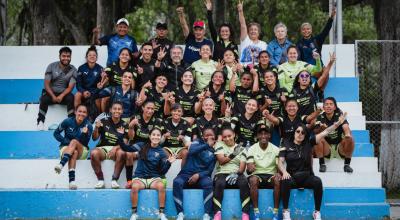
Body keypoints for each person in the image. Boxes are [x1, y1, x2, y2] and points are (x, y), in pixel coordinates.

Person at [278, 115, 347, 220]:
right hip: (292, 177)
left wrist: (337, 124)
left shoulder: (309, 143)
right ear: (294, 132)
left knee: (318, 181)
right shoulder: (286, 143)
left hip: (306, 176)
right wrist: (284, 172)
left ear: (305, 135)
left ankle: (317, 212)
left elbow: (325, 132)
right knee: (284, 181)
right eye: (298, 131)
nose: (300, 134)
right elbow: (280, 161)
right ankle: (286, 212)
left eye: (303, 132)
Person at [116, 128, 175, 220]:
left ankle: (161, 213)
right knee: (134, 187)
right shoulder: (142, 145)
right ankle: (134, 214)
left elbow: (162, 172)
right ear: (150, 136)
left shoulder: (162, 152)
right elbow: (126, 148)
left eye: (158, 135)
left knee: (161, 186)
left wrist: (169, 163)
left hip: (154, 178)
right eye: (154, 135)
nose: (156, 137)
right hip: (140, 178)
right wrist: (120, 136)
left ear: (161, 137)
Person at [173, 128, 216, 220]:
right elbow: (191, 150)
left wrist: (198, 175)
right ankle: (180, 213)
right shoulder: (197, 142)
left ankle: (207, 214)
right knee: (177, 182)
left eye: (211, 135)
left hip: (201, 176)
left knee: (209, 183)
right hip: (186, 174)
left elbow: (209, 170)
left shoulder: (214, 151)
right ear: (203, 136)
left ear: (214, 136)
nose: (209, 137)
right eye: (206, 135)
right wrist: (206, 145)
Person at [90, 101, 132, 189]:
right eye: (115, 109)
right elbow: (94, 138)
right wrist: (96, 128)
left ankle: (114, 180)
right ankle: (100, 180)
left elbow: (125, 142)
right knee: (93, 153)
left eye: (119, 109)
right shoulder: (103, 121)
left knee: (122, 153)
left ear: (122, 111)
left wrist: (115, 148)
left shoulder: (125, 124)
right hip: (103, 148)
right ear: (110, 110)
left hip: (117, 149)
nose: (117, 111)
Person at [213, 126, 250, 220]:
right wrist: (234, 153)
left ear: (234, 135)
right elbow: (221, 160)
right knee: (219, 183)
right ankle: (217, 213)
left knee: (244, 183)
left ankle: (245, 214)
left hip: (236, 173)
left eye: (229, 135)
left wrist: (236, 174)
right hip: (222, 172)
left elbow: (242, 167)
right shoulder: (219, 144)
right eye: (224, 137)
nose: (227, 138)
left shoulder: (242, 148)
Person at [53, 104, 93, 190]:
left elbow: (85, 142)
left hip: (82, 150)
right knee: (73, 152)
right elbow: (56, 133)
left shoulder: (88, 125)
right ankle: (72, 181)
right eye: (80, 111)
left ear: (86, 114)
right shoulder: (67, 121)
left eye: (84, 112)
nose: (81, 114)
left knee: (74, 142)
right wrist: (65, 141)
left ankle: (61, 164)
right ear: (75, 112)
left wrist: (84, 134)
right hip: (66, 149)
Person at [37, 46, 77, 130]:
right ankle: (40, 121)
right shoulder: (51, 66)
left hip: (64, 94)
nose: (66, 58)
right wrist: (53, 96)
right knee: (44, 99)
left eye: (68, 56)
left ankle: (71, 123)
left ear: (70, 57)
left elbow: (70, 87)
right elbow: (46, 84)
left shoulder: (73, 69)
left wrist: (61, 96)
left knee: (71, 97)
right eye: (63, 56)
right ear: (59, 56)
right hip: (51, 93)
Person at [247, 124, 281, 220]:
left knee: (278, 180)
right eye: (260, 134)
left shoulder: (275, 149)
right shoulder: (251, 149)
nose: (263, 136)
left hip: (271, 175)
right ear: (257, 136)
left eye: (265, 133)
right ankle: (256, 212)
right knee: (253, 180)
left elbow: (279, 166)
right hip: (257, 175)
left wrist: (278, 173)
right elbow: (249, 169)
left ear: (269, 136)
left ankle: (275, 212)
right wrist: (250, 168)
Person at [314, 97, 354, 173]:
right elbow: (315, 131)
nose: (328, 106)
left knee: (350, 138)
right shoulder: (320, 117)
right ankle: (322, 164)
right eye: (326, 104)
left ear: (335, 107)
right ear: (323, 107)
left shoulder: (339, 115)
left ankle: (347, 165)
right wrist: (321, 128)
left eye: (331, 104)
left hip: (340, 147)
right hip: (327, 148)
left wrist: (347, 134)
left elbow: (345, 126)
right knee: (317, 138)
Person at [259, 70, 288, 146]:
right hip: (265, 119)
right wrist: (265, 104)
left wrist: (284, 102)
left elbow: (290, 110)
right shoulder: (261, 91)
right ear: (264, 79)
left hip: (279, 119)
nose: (269, 78)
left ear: (275, 78)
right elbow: (259, 111)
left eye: (271, 76)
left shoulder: (283, 90)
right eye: (266, 77)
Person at [237, 0, 267, 66]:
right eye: (251, 30)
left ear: (259, 32)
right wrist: (240, 11)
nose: (253, 31)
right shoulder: (245, 40)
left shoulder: (264, 44)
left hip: (258, 70)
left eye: (255, 30)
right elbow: (243, 25)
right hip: (245, 70)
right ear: (248, 32)